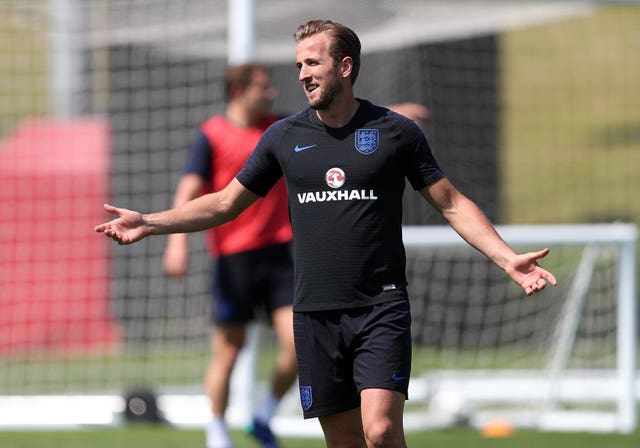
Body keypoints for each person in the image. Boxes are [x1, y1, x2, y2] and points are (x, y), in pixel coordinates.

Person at [95, 20, 557, 448]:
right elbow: (223, 203)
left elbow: (451, 202)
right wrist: (151, 222)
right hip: (315, 314)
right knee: (347, 442)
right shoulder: (282, 137)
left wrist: (506, 258)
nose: (301, 74)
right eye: (298, 65)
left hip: (380, 306)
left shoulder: (395, 132)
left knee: (379, 431)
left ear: (345, 66)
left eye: (312, 63)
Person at [161, 62, 431, 448]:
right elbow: (198, 190)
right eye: (262, 87)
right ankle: (217, 432)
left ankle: (265, 411)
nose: (271, 93)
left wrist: (393, 114)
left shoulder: (283, 128)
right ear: (238, 90)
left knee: (295, 346)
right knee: (229, 349)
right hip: (233, 257)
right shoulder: (212, 135)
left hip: (279, 256)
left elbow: (341, 125)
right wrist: (175, 240)